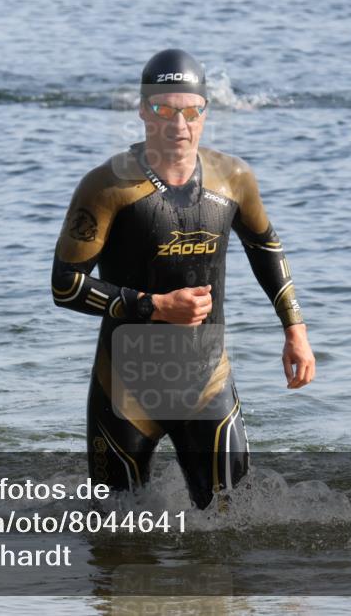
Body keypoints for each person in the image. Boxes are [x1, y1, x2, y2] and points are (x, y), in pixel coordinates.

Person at [51, 49, 316, 510]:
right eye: (164, 110)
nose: (179, 124)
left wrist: (295, 331)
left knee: (234, 526)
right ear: (142, 111)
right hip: (124, 388)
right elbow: (65, 285)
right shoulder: (106, 186)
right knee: (115, 537)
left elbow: (266, 248)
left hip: (206, 382)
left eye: (191, 111)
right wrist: (154, 306)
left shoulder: (233, 178)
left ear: (206, 112)